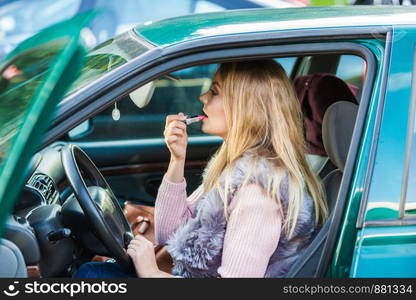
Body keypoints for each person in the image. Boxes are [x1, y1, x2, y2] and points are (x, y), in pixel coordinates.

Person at [74, 59, 328, 278]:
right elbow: (168, 233)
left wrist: (152, 273)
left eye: (215, 91)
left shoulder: (257, 192)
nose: (202, 97)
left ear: (244, 107)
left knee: (91, 275)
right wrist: (177, 159)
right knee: (94, 272)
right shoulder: (236, 168)